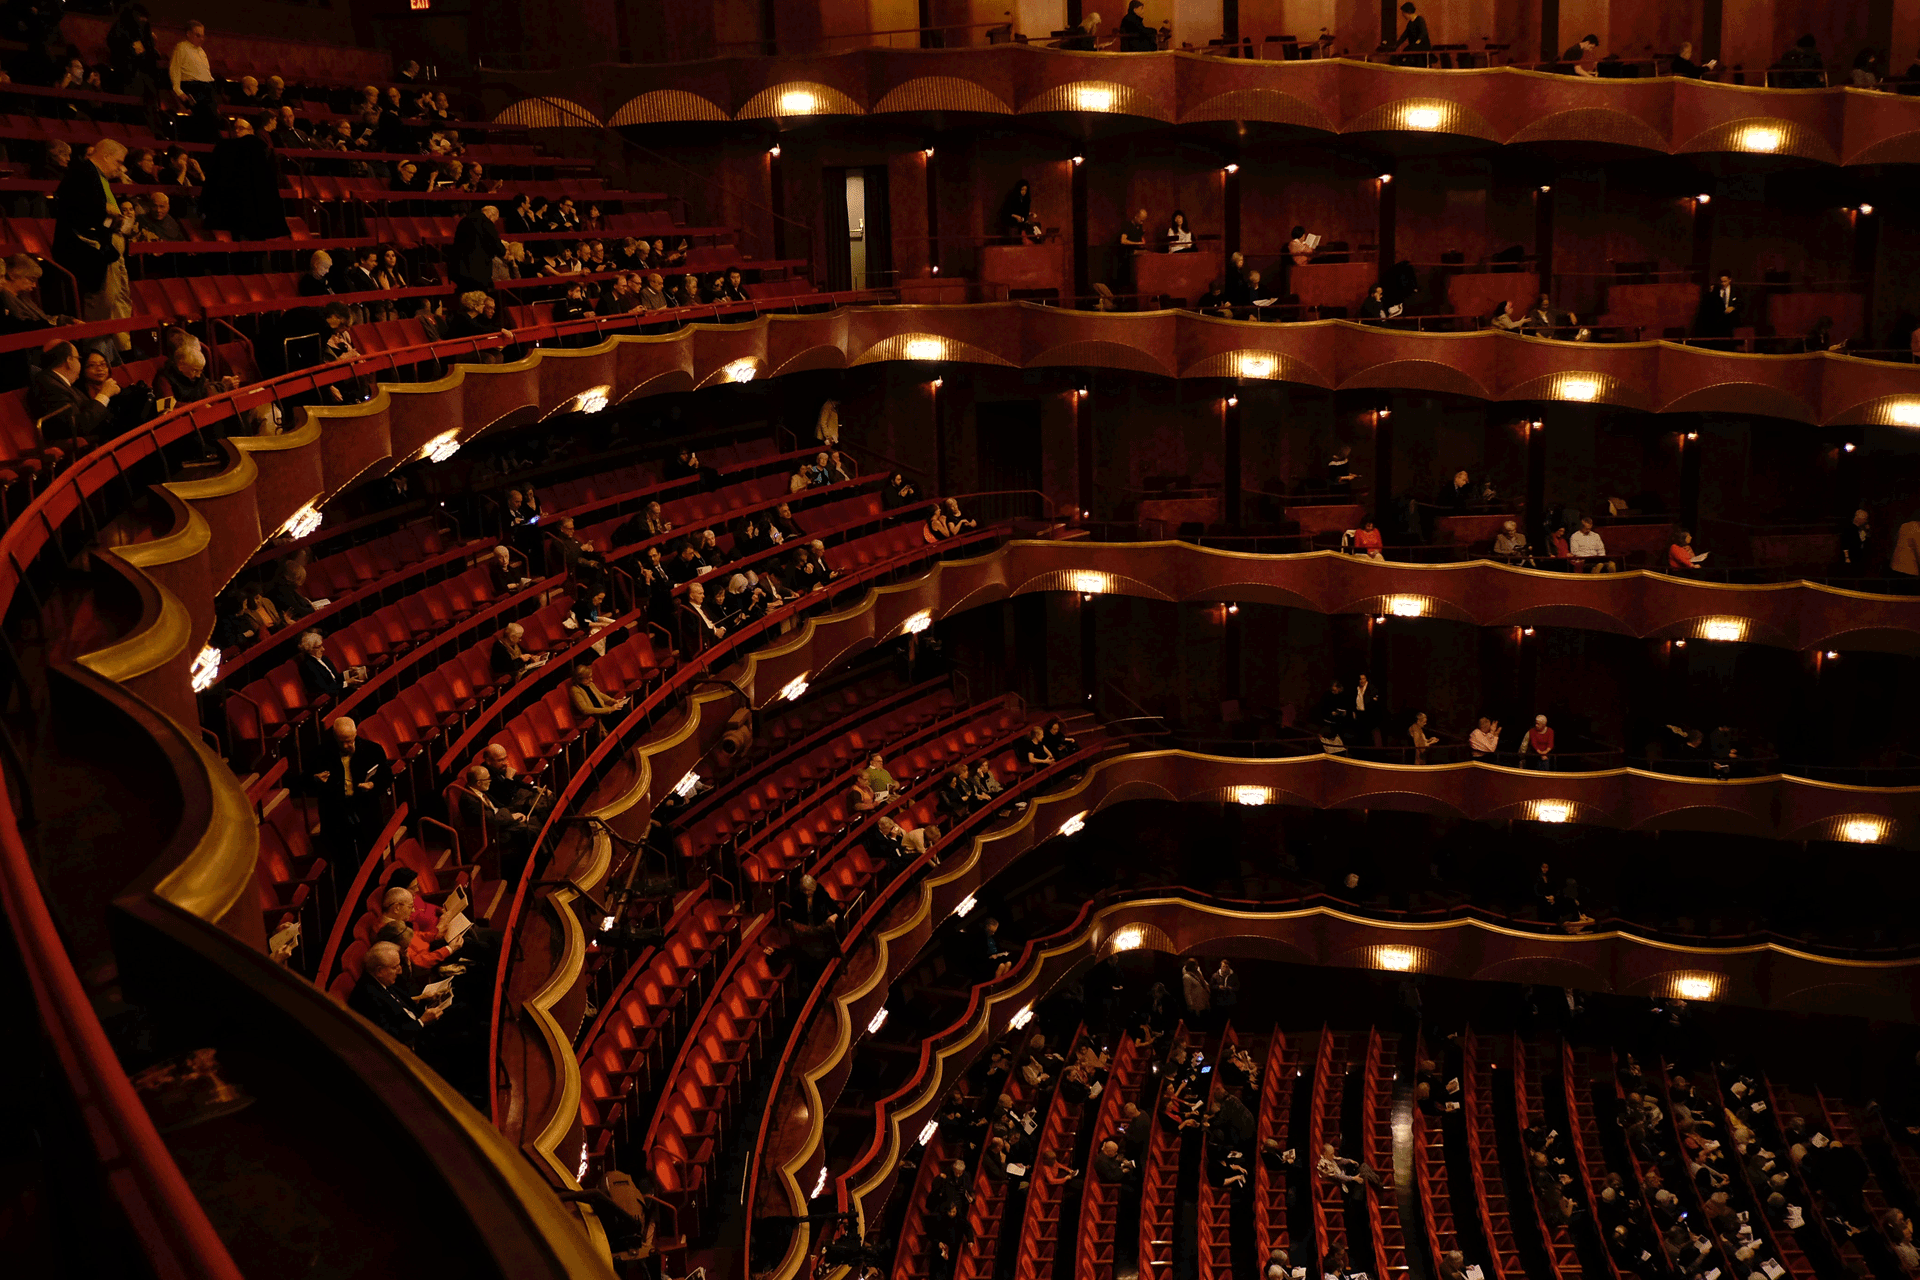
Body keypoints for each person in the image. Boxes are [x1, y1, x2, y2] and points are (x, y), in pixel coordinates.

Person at [54, 140, 137, 345]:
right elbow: (81, 214)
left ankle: (108, 349)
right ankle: (95, 351)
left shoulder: (96, 176)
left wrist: (111, 218)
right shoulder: (82, 173)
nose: (121, 168)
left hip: (100, 248)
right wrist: (108, 215)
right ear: (106, 156)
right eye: (118, 162)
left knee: (113, 302)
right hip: (86, 252)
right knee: (101, 305)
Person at [306, 716, 390, 859]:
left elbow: (387, 777)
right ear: (334, 737)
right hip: (336, 814)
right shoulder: (321, 754)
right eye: (341, 742)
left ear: (355, 734)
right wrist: (315, 779)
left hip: (366, 810)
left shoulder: (373, 750)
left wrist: (373, 784)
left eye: (349, 741)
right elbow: (303, 782)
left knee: (372, 858)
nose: (345, 746)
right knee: (343, 862)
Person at [349, 941, 448, 1050]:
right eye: (395, 967)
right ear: (380, 970)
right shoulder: (367, 996)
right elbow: (390, 1035)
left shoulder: (382, 980)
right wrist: (422, 1021)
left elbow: (402, 1006)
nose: (400, 971)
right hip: (416, 1042)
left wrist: (424, 1000)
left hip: (421, 1026)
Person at [28, 340, 113, 449]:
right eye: (78, 359)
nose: (80, 364)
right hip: (84, 448)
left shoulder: (62, 384)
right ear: (69, 360)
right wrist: (104, 394)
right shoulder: (48, 385)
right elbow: (77, 427)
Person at [168, 20, 218, 139]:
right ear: (188, 34)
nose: (201, 39)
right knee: (204, 117)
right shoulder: (181, 48)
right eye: (198, 35)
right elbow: (175, 69)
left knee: (213, 118)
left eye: (203, 36)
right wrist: (178, 91)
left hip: (207, 88)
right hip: (193, 87)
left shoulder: (201, 51)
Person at [453, 204, 505, 295]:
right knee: (479, 300)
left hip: (461, 269)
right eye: (495, 220)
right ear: (491, 215)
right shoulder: (487, 223)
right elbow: (498, 247)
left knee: (466, 299)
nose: (494, 222)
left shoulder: (464, 221)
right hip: (479, 271)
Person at [569, 663, 628, 741]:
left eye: (590, 677)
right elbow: (585, 709)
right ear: (579, 679)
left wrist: (614, 701)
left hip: (604, 711)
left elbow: (600, 695)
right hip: (597, 718)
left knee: (624, 709)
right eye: (587, 678)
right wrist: (610, 709)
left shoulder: (590, 685)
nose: (591, 680)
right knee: (621, 714)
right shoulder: (575, 690)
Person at [1698, 273, 1739, 340]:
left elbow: (1740, 304)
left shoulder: (1736, 290)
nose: (1723, 283)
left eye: (1725, 281)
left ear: (1730, 280)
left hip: (1731, 321)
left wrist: (1733, 308)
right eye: (1721, 281)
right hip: (1717, 321)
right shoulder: (1715, 290)